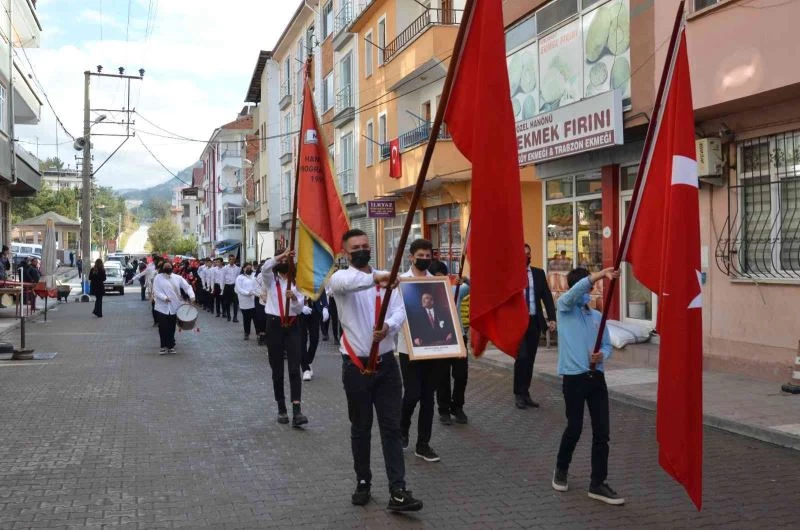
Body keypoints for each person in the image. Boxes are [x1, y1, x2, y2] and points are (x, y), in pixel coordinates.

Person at [327, 228, 422, 512]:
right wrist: (374, 279)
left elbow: (400, 307)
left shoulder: (386, 278)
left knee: (391, 428)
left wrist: (389, 327)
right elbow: (345, 283)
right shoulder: (341, 279)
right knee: (361, 428)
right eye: (355, 247)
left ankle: (398, 489)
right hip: (356, 367)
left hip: (387, 366)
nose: (362, 250)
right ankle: (363, 482)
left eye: (365, 245)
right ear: (345, 253)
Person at [551, 267, 624, 506]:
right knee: (574, 427)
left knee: (602, 432)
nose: (586, 293)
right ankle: (561, 469)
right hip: (573, 378)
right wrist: (600, 274)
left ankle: (598, 483)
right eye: (582, 287)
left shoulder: (596, 317)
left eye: (588, 289)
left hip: (596, 378)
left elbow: (607, 344)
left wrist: (601, 355)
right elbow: (573, 294)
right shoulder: (564, 309)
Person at [398, 238, 444, 463]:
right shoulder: (401, 282)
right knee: (412, 394)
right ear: (411, 257)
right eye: (421, 256)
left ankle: (423, 444)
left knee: (428, 398)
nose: (425, 259)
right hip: (409, 349)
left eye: (428, 256)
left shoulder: (437, 282)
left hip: (433, 350)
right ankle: (402, 427)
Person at [260, 249, 308, 428]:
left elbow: (299, 308)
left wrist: (295, 298)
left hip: (293, 325)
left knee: (295, 368)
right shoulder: (271, 280)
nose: (284, 261)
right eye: (282, 258)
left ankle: (297, 410)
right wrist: (281, 255)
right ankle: (281, 407)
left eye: (287, 259)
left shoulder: (298, 282)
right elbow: (265, 267)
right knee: (277, 368)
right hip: (274, 325)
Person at [514, 243, 557, 410]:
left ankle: (526, 393)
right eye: (523, 254)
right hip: (518, 322)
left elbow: (546, 296)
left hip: (534, 321)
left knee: (530, 359)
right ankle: (518, 393)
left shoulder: (538, 273)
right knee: (522, 357)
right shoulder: (512, 275)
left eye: (528, 253)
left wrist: (551, 318)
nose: (526, 256)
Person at [437, 277, 470, 425]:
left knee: (461, 375)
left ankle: (457, 407)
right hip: (439, 340)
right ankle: (444, 410)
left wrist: (466, 279)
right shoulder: (427, 295)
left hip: (459, 338)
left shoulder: (455, 290)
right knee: (442, 376)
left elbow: (474, 287)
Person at [152, 261, 196, 355]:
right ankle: (163, 346)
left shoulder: (178, 278)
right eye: (165, 266)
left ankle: (171, 346)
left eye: (169, 266)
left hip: (174, 307)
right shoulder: (158, 278)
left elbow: (187, 287)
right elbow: (156, 290)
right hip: (161, 307)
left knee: (171, 327)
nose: (167, 267)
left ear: (172, 267)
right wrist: (164, 298)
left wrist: (192, 296)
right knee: (163, 327)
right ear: (163, 268)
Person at [300, 290, 329, 381]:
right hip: (300, 311)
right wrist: (300, 306)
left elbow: (322, 291)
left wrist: (325, 307)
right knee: (302, 339)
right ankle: (305, 369)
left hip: (314, 308)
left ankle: (308, 361)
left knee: (315, 338)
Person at [235, 263, 258, 340]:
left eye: (250, 268)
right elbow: (239, 289)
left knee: (256, 319)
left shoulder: (254, 276)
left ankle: (259, 334)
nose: (249, 269)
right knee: (246, 319)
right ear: (243, 268)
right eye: (247, 268)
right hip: (244, 301)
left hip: (254, 301)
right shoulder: (239, 278)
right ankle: (246, 333)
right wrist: (248, 293)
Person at [222, 254, 240, 322]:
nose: (231, 261)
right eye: (230, 259)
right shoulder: (225, 268)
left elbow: (238, 278)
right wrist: (222, 288)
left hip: (234, 286)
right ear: (228, 260)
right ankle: (228, 315)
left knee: (235, 302)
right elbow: (222, 279)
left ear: (234, 260)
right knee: (227, 302)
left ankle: (235, 317)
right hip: (227, 286)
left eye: (233, 259)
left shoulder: (237, 268)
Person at [253, 261, 267, 345]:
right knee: (261, 319)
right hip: (260, 300)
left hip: (269, 301)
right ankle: (261, 336)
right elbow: (255, 289)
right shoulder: (259, 276)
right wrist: (261, 295)